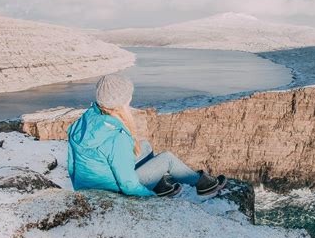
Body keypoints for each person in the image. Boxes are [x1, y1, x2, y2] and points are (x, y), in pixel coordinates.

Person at [67, 74, 226, 197]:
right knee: (167, 159)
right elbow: (128, 185)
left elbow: (73, 163)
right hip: (111, 190)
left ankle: (159, 185)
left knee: (144, 146)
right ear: (121, 101)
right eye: (128, 96)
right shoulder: (116, 136)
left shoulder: (87, 119)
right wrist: (149, 197)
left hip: (89, 183)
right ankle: (203, 184)